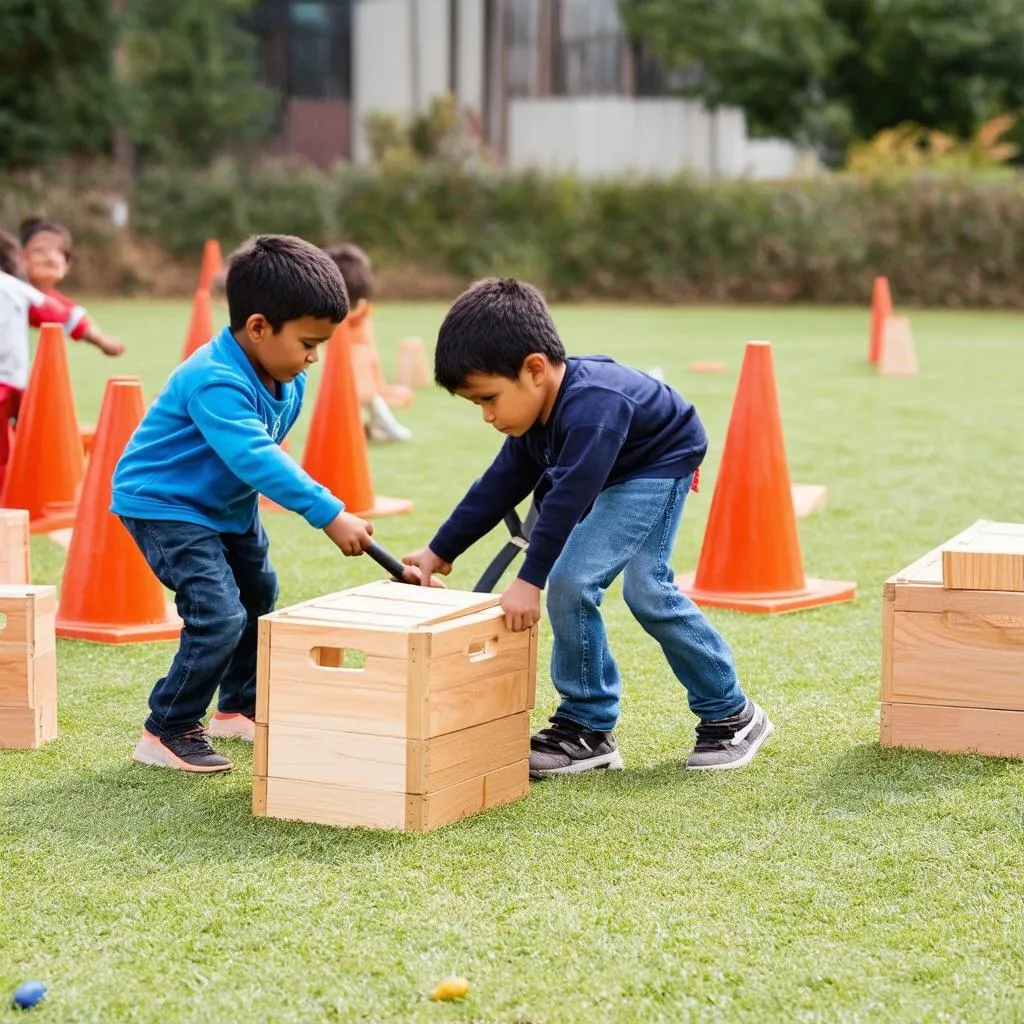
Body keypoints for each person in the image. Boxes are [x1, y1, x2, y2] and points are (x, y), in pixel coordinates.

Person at [402, 277, 773, 779]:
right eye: (478, 405)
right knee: (625, 587)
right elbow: (498, 483)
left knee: (609, 586)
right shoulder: (535, 415)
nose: (487, 416)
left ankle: (728, 715)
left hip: (658, 462)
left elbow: (567, 498)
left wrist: (528, 581)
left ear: (534, 369)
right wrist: (439, 551)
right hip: (613, 466)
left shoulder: (593, 407)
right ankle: (590, 729)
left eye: (489, 398)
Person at [111, 234, 377, 773]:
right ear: (258, 328)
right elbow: (255, 456)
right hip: (166, 504)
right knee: (218, 614)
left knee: (260, 596)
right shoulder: (215, 380)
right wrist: (328, 512)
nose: (314, 356)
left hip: (225, 507)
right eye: (307, 342)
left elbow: (259, 456)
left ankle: (237, 707)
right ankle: (167, 727)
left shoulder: (285, 375)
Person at [0, 229, 91, 490]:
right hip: (13, 381)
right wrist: (101, 338)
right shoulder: (14, 286)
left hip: (11, 383)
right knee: (29, 440)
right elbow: (59, 314)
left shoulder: (15, 287)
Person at [323, 242, 412, 442]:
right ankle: (377, 423)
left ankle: (379, 422)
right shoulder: (331, 305)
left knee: (363, 385)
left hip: (357, 348)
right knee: (355, 388)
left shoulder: (361, 307)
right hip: (344, 349)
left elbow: (367, 341)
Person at [19, 217, 126, 356]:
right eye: (39, 251)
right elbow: (54, 312)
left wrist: (99, 336)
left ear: (67, 265)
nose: (50, 257)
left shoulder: (43, 297)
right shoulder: (14, 291)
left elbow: (64, 310)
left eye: (59, 251)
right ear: (20, 258)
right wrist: (99, 339)